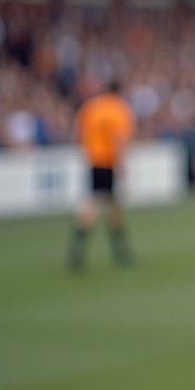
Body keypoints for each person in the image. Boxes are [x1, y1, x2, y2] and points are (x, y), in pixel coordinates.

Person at [67, 77, 136, 269]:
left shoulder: (92, 107)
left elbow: (77, 131)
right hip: (108, 161)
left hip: (94, 159)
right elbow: (119, 140)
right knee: (96, 205)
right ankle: (80, 250)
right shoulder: (120, 109)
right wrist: (122, 168)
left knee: (112, 205)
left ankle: (119, 251)